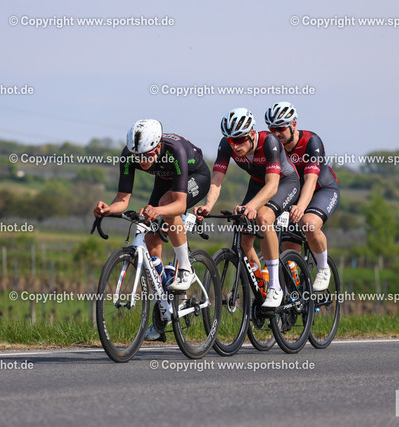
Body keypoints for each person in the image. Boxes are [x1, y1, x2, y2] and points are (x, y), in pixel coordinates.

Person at [94, 119, 210, 340]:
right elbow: (122, 198)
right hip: (164, 178)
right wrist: (108, 209)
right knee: (150, 241)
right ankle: (164, 309)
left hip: (195, 176)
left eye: (147, 156)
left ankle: (185, 269)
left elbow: (180, 204)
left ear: (158, 147)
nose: (142, 161)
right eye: (137, 156)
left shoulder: (174, 150)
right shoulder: (130, 155)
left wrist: (159, 210)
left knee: (167, 207)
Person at [195, 108, 300, 308]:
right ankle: (261, 288)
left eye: (239, 139)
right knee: (245, 238)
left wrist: (251, 206)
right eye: (230, 140)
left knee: (263, 218)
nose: (235, 146)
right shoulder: (226, 145)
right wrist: (208, 205)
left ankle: (275, 287)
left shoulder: (269, 142)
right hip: (258, 183)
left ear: (252, 133)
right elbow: (217, 179)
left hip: (284, 182)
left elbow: (272, 185)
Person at [264, 102, 340, 291]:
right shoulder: (273, 146)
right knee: (289, 244)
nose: (276, 134)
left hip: (322, 189)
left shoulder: (311, 141)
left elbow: (310, 181)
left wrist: (300, 207)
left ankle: (323, 268)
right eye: (272, 129)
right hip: (294, 193)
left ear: (294, 124)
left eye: (281, 128)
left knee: (309, 224)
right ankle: (294, 290)